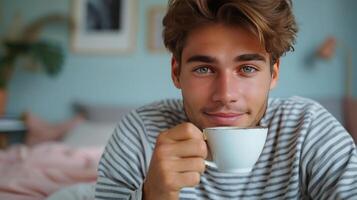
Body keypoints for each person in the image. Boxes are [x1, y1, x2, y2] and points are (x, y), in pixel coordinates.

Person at [95, 0, 357, 199]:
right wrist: (149, 195)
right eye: (204, 69)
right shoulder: (141, 132)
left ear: (273, 73)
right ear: (176, 72)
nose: (225, 95)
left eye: (247, 69)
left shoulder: (308, 127)